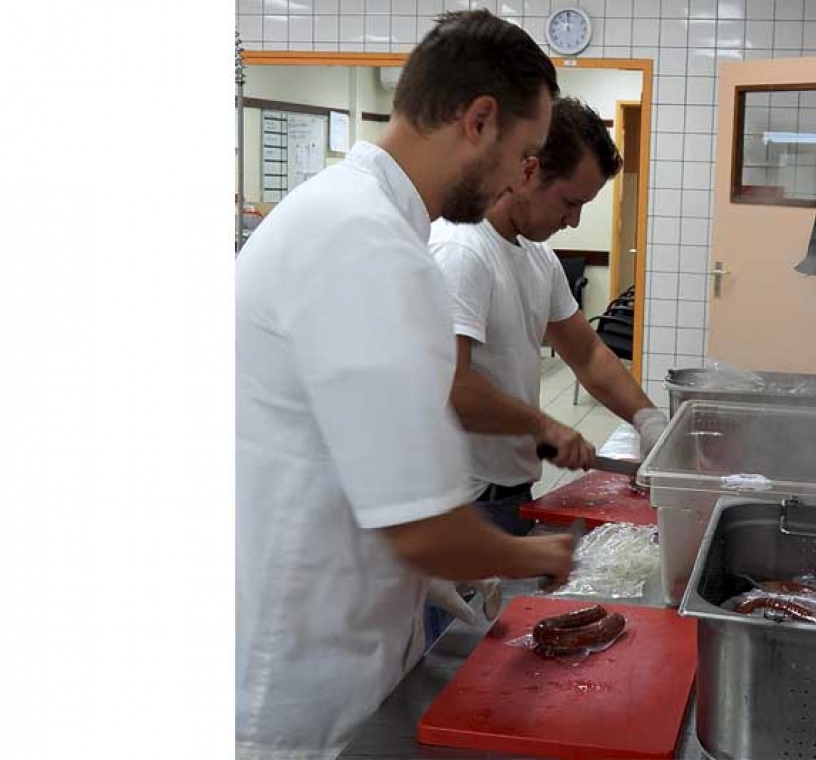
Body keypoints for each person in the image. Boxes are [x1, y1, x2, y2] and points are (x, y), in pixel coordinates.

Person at [235, 11, 575, 759]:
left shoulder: (350, 216)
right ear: (479, 120)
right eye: (523, 151)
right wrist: (544, 558)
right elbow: (421, 527)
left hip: (337, 638)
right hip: (303, 688)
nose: (521, 177)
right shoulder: (367, 245)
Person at [430, 98, 670, 537]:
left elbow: (588, 353)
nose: (574, 222)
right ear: (528, 172)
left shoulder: (537, 255)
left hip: (508, 494)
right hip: (462, 503)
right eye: (570, 202)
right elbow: (451, 383)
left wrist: (648, 420)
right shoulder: (463, 251)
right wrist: (544, 427)